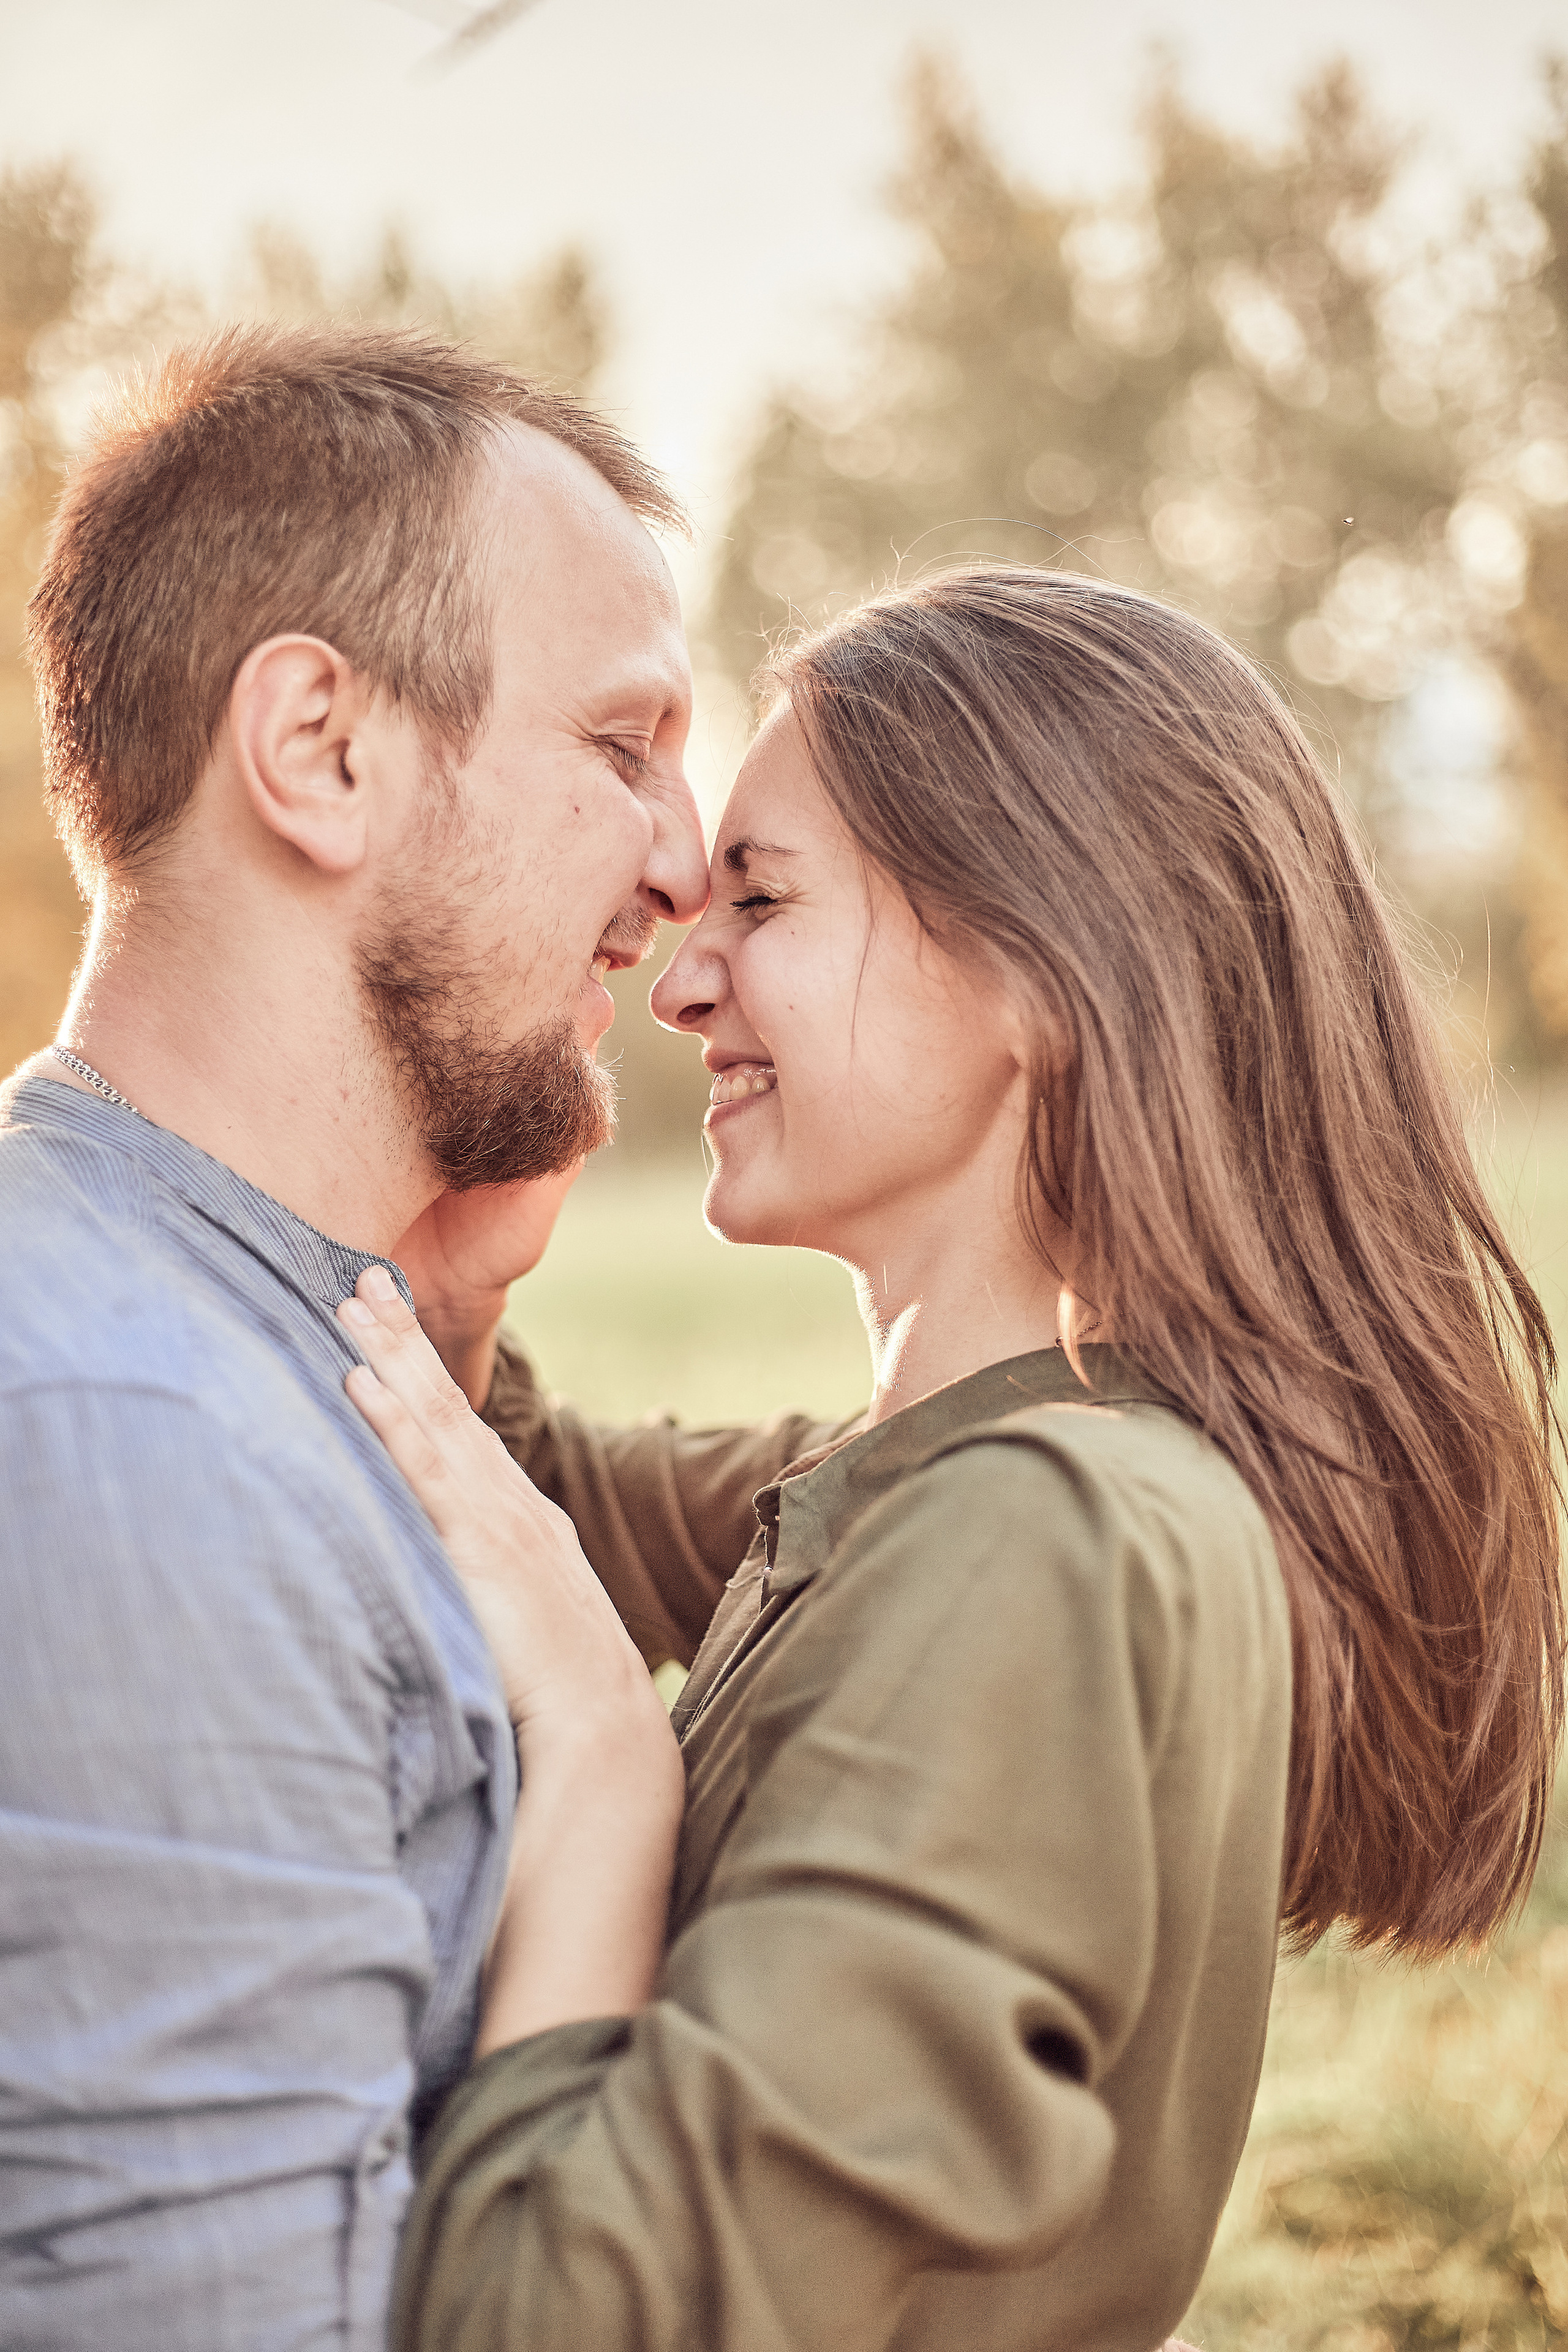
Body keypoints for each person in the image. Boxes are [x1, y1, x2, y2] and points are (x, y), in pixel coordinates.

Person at [342, 567, 1567, 2352]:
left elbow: (570, 2326)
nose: (684, 981)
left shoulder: (1042, 1543)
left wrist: (605, 1760)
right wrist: (457, 1279)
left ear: (1036, 974)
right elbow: (536, 1511)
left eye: (760, 901)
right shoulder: (1009, 1472)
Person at [0, 322, 740, 2350]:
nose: (686, 867)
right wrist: (603, 1765)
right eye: (618, 746)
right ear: (320, 748)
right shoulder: (133, 1443)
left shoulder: (236, 1338)